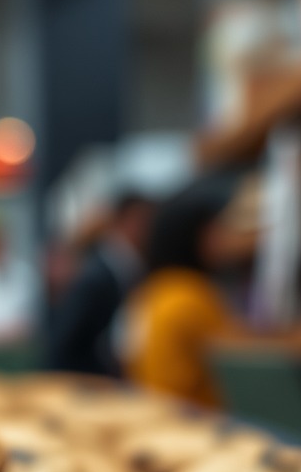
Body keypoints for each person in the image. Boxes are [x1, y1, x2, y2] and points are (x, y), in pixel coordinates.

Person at [121, 174, 256, 408]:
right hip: (196, 424)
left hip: (154, 412)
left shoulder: (152, 290)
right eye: (217, 230)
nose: (226, 239)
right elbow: (245, 362)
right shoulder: (192, 295)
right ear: (193, 235)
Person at [48, 193, 155, 374]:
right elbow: (66, 344)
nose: (150, 230)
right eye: (144, 221)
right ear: (124, 220)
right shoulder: (96, 276)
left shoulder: (125, 266)